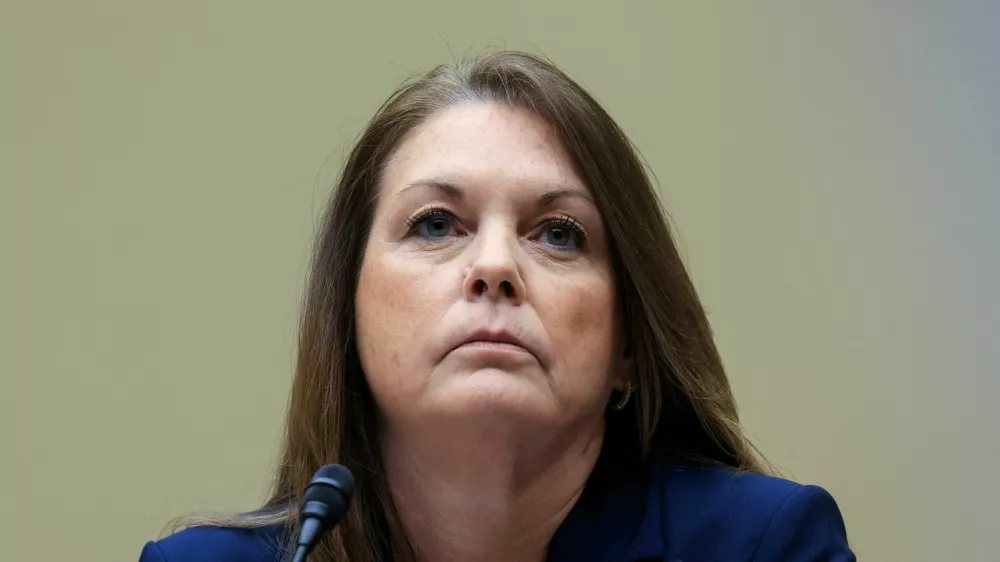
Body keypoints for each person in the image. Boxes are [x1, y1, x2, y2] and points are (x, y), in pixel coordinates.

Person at [139, 51, 854, 562]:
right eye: (436, 224)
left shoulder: (762, 545)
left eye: (558, 235)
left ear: (628, 349)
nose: (494, 267)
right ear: (349, 315)